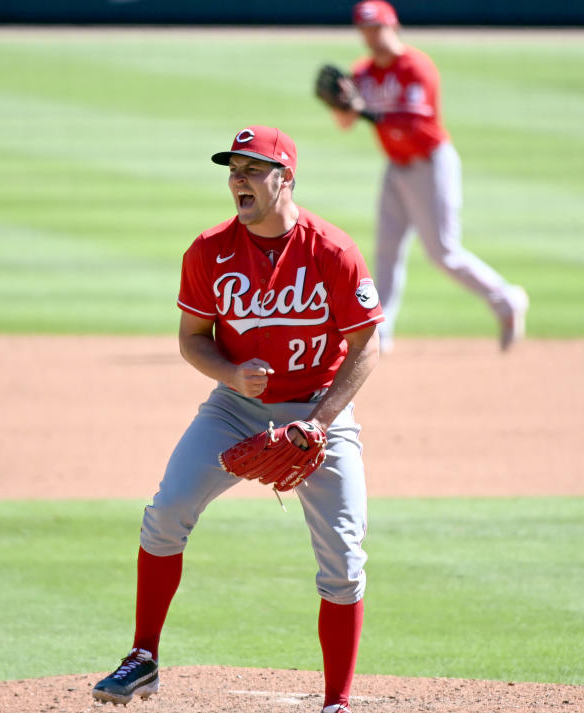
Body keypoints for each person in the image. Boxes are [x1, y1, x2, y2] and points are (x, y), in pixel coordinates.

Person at [91, 125, 384, 713]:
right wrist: (229, 375)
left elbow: (366, 346)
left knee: (345, 559)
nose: (238, 181)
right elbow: (192, 339)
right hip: (235, 408)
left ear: (286, 179)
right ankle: (142, 659)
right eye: (233, 170)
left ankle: (338, 702)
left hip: (319, 408)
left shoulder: (331, 250)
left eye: (252, 169)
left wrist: (320, 423)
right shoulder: (208, 251)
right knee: (166, 511)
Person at [325, 0, 528, 353]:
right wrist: (339, 105)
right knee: (386, 250)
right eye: (366, 30)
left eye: (378, 28)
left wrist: (364, 111)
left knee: (444, 252)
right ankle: (380, 333)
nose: (372, 37)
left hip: (431, 164)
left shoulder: (417, 67)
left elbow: (414, 126)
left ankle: (506, 299)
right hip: (396, 167)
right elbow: (346, 123)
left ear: (393, 26)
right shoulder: (363, 73)